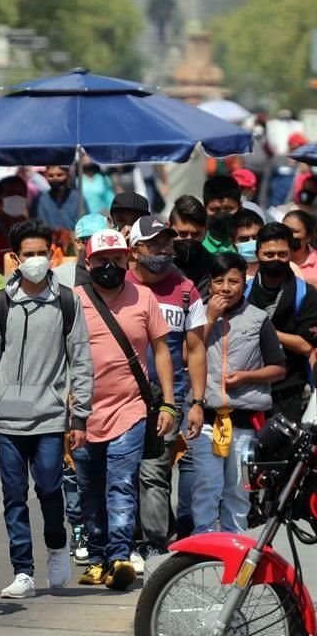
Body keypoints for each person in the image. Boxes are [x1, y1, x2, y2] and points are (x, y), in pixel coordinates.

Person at [0, 219, 94, 598]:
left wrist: (79, 415)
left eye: (41, 253)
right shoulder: (0, 302)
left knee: (49, 487)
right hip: (7, 420)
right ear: (15, 258)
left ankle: (58, 546)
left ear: (53, 254)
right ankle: (23, 571)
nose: (35, 260)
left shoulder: (66, 301)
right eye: (27, 254)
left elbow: (80, 359)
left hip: (49, 417)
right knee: (13, 496)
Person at [73, 229, 175, 591]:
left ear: (128, 260)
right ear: (89, 263)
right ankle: (97, 556)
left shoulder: (144, 298)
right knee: (89, 488)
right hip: (82, 413)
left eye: (117, 259)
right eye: (102, 260)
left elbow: (161, 351)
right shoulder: (73, 300)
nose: (109, 266)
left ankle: (118, 556)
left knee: (120, 483)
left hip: (131, 409)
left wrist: (168, 403)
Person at [126, 217, 208, 566]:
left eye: (166, 243)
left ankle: (155, 545)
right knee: (122, 471)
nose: (163, 250)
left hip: (168, 398)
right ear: (135, 249)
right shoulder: (119, 286)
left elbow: (197, 349)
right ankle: (122, 540)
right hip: (121, 396)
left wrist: (197, 403)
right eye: (155, 243)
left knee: (154, 471)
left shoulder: (187, 289)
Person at [190, 253, 286, 533]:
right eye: (219, 281)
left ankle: (236, 542)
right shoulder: (197, 315)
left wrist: (246, 377)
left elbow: (278, 368)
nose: (226, 288)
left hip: (243, 419)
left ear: (245, 283)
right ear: (209, 285)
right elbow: (186, 355)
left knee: (237, 488)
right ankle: (203, 541)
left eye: (234, 281)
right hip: (206, 416)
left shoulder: (258, 319)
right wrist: (209, 319)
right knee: (206, 484)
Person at [244, 223, 317, 424]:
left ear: (291, 253)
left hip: (287, 393)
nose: (275, 259)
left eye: (281, 254)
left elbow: (306, 345)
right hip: (246, 390)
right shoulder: (243, 291)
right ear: (257, 253)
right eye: (269, 254)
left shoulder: (305, 294)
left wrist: (266, 331)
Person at [169, 195, 214, 297]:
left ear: (206, 231)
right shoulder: (157, 265)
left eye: (196, 234)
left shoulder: (213, 266)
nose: (189, 239)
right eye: (183, 234)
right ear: (169, 228)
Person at [54, 213, 108, 289]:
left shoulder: (118, 272)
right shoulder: (58, 276)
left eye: (104, 239)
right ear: (78, 243)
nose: (99, 245)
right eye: (92, 240)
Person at [33, 165, 80, 230]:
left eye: (59, 175)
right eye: (51, 176)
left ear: (68, 175)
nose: (55, 178)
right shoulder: (41, 199)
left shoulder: (77, 197)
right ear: (45, 176)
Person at [283, 210, 317, 287]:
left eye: (294, 231)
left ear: (308, 236)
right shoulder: (273, 258)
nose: (287, 234)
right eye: (284, 229)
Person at [233, 209, 264, 280]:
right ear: (233, 242)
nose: (252, 242)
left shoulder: (286, 268)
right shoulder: (226, 273)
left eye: (256, 237)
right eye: (244, 239)